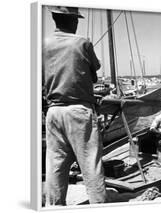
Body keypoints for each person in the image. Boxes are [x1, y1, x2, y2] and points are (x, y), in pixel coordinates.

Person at [43, 6, 106, 205]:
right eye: (76, 19)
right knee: (90, 166)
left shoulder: (42, 44)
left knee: (55, 167)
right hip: (79, 111)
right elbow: (95, 70)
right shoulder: (82, 42)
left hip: (53, 112)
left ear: (55, 19)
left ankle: (54, 206)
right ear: (73, 20)